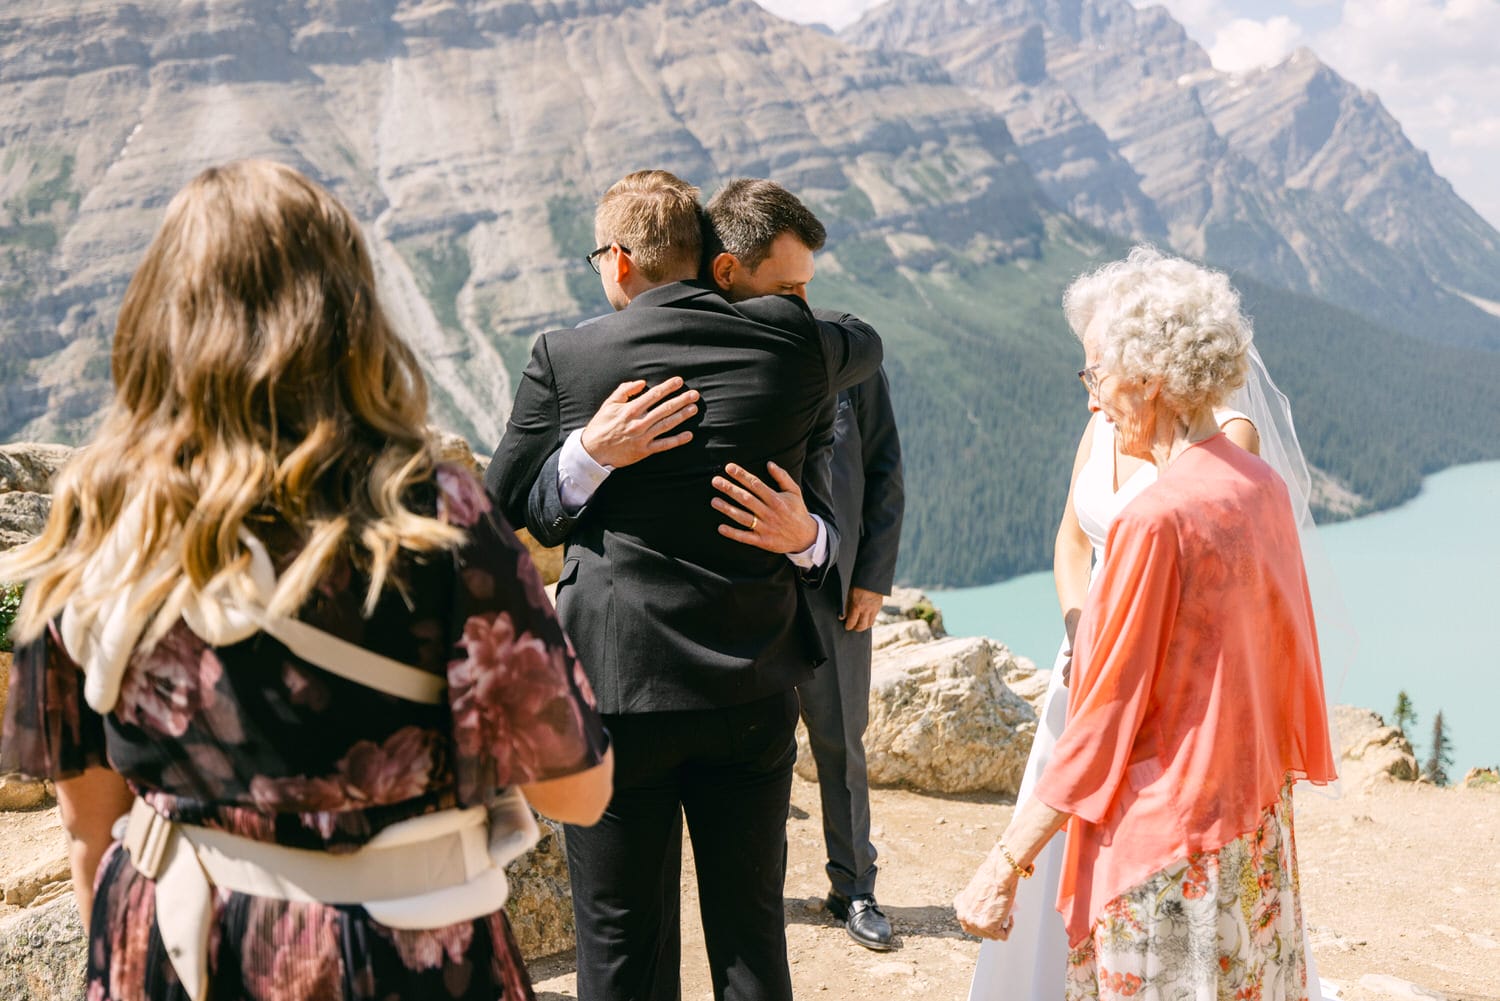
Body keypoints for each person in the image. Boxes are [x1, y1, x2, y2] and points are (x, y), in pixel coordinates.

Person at [0, 159, 612, 1001]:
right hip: (397, 954)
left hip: (179, 946)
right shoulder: (436, 514)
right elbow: (577, 791)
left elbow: (88, 824)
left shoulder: (92, 521)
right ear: (346, 318)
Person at [484, 169, 882, 1001]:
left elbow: (495, 510)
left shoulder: (571, 358)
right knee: (749, 941)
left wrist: (587, 454)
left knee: (621, 945)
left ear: (621, 261)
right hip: (754, 685)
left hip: (619, 692)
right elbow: (865, 339)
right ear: (709, 260)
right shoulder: (799, 344)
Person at [955, 246, 1338, 999]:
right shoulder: (1258, 484)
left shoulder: (1157, 520)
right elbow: (1283, 657)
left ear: (1150, 379)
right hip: (1249, 824)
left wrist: (1002, 865)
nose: (1093, 400)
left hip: (1168, 846)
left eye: (1098, 375)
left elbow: (1101, 727)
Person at [703, 178, 904, 952]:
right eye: (786, 286)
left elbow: (885, 468)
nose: (798, 301)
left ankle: (854, 887)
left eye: (803, 288)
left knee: (840, 745)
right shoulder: (706, 363)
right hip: (741, 601)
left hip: (835, 593)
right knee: (750, 750)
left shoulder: (844, 356)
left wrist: (872, 576)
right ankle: (756, 895)